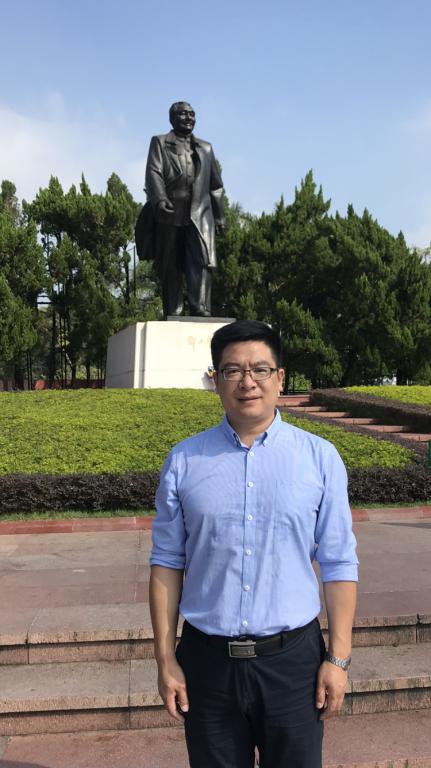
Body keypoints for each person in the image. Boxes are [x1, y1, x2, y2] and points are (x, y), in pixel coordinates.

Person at [149, 319, 358, 768]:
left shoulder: (319, 459)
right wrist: (165, 659)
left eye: (260, 369)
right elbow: (167, 562)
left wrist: (338, 659)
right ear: (215, 380)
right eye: (233, 370)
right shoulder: (184, 461)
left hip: (293, 665)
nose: (248, 382)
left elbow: (339, 562)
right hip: (207, 665)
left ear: (280, 378)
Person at [136, 101, 225, 318]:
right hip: (170, 211)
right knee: (170, 262)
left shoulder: (205, 148)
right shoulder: (160, 142)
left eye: (192, 114)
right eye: (183, 114)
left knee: (201, 260)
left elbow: (216, 186)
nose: (188, 118)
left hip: (200, 213)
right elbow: (154, 172)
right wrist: (160, 199)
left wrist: (219, 216)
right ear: (172, 118)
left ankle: (200, 307)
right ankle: (173, 310)